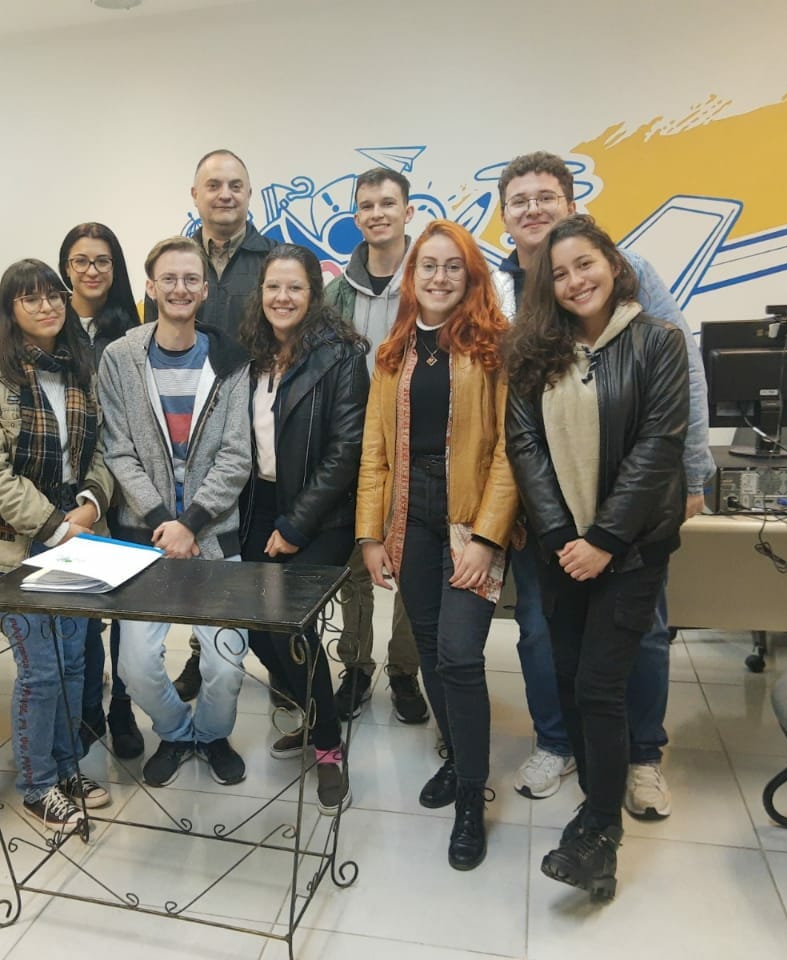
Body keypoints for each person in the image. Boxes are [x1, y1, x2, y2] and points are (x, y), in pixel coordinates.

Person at [493, 151, 713, 815]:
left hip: (630, 509)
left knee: (640, 633)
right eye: (519, 200)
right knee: (541, 632)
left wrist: (693, 470)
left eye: (545, 196)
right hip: (545, 510)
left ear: (571, 206)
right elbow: (514, 420)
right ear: (505, 216)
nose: (533, 209)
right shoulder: (499, 287)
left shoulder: (629, 273)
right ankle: (558, 742)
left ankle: (642, 753)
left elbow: (681, 372)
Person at [505, 215, 689, 900]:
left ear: (612, 263)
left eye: (585, 264)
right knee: (569, 677)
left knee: (599, 687)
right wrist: (561, 539)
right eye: (559, 273)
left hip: (630, 552)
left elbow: (657, 448)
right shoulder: (535, 351)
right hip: (560, 552)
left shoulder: (658, 341)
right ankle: (595, 801)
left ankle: (601, 830)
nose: (575, 281)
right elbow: (524, 445)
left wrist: (603, 540)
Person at [356, 220, 518, 870]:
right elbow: (374, 452)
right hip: (409, 518)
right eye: (429, 266)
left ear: (471, 275)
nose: (440, 277)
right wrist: (371, 535)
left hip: (469, 518)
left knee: (459, 654)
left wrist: (486, 537)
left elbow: (508, 451)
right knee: (426, 644)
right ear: (412, 276)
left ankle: (472, 795)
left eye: (454, 266)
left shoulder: (493, 349)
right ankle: (456, 757)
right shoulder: (393, 352)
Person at [0, 258, 115, 832]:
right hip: (17, 544)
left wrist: (90, 503)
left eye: (54, 296)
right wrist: (56, 526)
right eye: (31, 298)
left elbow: (100, 450)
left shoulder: (79, 371)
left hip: (77, 534)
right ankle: (37, 784)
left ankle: (67, 768)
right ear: (10, 309)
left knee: (74, 666)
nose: (46, 307)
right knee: (41, 671)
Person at [98, 236, 252, 788]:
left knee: (226, 664)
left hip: (213, 535)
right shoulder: (120, 358)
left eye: (190, 279)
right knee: (135, 665)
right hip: (146, 537)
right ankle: (177, 732)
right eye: (169, 279)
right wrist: (166, 520)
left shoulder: (231, 359)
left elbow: (237, 455)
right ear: (151, 286)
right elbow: (118, 450)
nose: (180, 288)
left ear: (204, 289)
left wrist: (192, 524)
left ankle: (211, 735)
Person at [238, 244, 367, 815]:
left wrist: (296, 523)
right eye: (273, 287)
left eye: (294, 288)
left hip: (321, 513)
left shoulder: (341, 356)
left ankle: (329, 745)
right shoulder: (253, 355)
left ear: (314, 294)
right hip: (258, 507)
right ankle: (316, 709)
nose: (282, 297)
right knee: (254, 628)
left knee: (291, 626)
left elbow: (345, 451)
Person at [157, 149, 276, 703]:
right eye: (213, 185)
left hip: (264, 429)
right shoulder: (178, 263)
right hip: (196, 441)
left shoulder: (273, 259)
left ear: (249, 194)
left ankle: (278, 660)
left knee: (256, 555)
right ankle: (204, 653)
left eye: (235, 185)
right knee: (205, 546)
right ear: (195, 195)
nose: (224, 194)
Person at [324, 167, 427, 725]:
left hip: (418, 445)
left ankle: (405, 670)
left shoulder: (431, 280)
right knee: (354, 567)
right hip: (355, 446)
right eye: (366, 205)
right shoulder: (336, 292)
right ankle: (357, 666)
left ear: (408, 212)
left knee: (414, 564)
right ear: (357, 217)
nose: (377, 213)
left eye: (388, 203)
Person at [58, 222, 145, 761]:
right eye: (81, 261)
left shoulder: (133, 332)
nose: (92, 271)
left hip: (124, 488)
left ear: (116, 269)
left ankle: (123, 710)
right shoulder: (49, 325)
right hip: (69, 497)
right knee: (83, 609)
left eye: (103, 261)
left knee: (125, 612)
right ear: (65, 267)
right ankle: (88, 708)